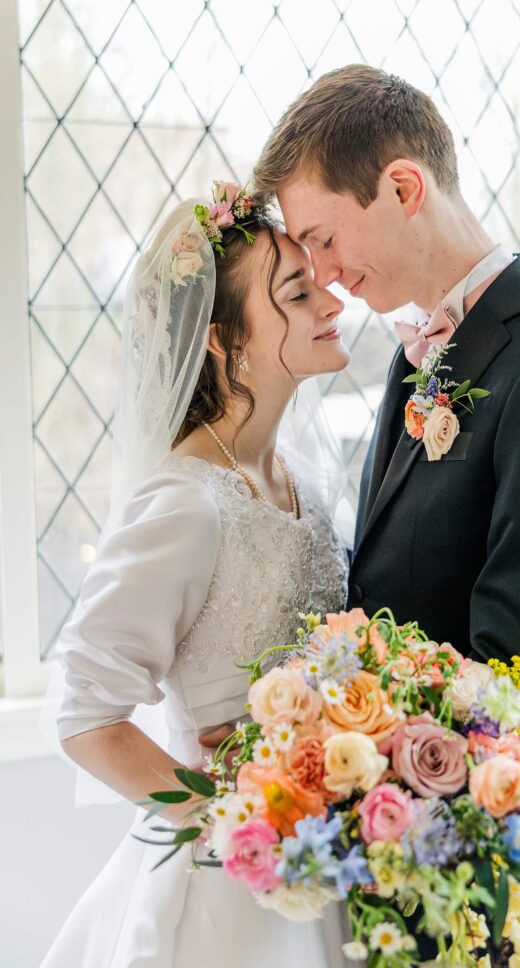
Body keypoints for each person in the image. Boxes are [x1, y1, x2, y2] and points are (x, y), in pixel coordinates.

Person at [250, 64, 520, 723]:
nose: (325, 274)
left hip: (491, 808)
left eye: (323, 237)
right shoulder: (414, 358)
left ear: (404, 188)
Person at [39, 182, 350, 968]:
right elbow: (84, 713)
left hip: (318, 860)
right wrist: (228, 814)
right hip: (224, 893)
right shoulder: (186, 503)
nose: (331, 303)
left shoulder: (302, 485)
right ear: (223, 339)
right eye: (297, 292)